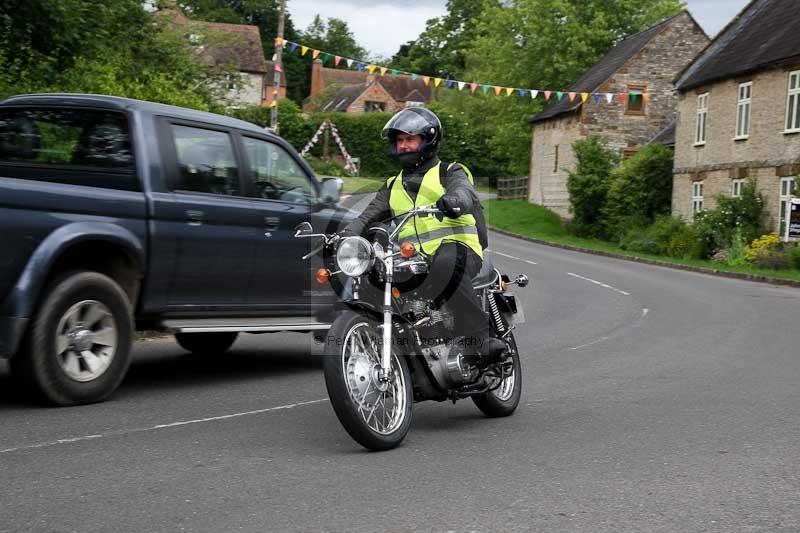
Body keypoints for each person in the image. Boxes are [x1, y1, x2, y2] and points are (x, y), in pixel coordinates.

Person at [342, 107, 505, 365]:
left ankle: (480, 338)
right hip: (413, 258)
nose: (404, 146)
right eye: (400, 141)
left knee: (445, 265)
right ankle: (407, 346)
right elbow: (367, 217)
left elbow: (464, 191)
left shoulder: (450, 172)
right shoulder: (391, 186)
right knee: (373, 277)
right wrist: (345, 236)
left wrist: (454, 200)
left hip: (459, 248)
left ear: (428, 140)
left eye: (410, 139)